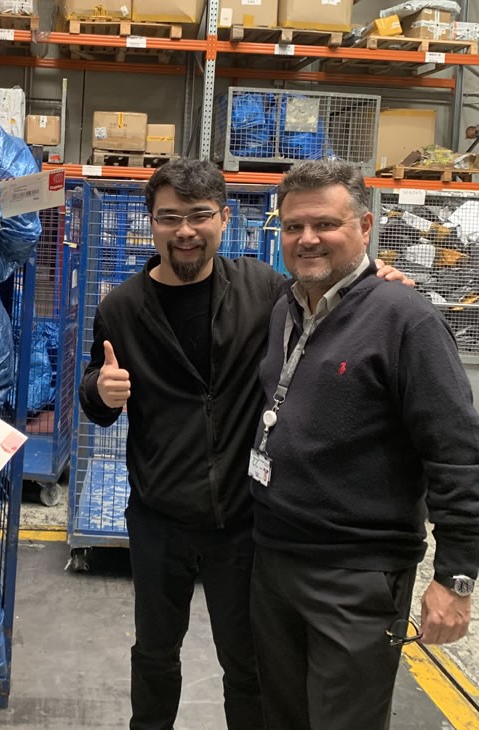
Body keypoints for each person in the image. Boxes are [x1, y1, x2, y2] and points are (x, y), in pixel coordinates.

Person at [78, 157, 409, 730]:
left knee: (247, 663)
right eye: (169, 217)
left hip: (242, 521)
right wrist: (100, 393)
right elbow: (95, 392)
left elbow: (328, 293)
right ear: (151, 221)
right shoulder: (122, 308)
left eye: (199, 215)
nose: (185, 230)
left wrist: (379, 281)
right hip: (159, 516)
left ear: (224, 218)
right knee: (154, 653)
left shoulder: (264, 290)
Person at [249, 159, 479, 730]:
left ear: (365, 226)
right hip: (276, 560)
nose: (307, 239)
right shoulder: (287, 308)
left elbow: (455, 452)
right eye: (294, 226)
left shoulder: (406, 320)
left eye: (325, 224)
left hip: (355, 576)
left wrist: (455, 578)